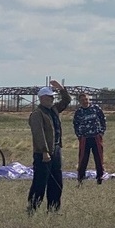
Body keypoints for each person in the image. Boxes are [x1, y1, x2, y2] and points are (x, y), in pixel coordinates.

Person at [27, 80, 71, 214]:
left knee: (56, 181)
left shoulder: (53, 109)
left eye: (53, 96)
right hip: (43, 153)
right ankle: (32, 209)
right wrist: (45, 151)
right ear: (42, 98)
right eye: (50, 96)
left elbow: (66, 101)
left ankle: (53, 209)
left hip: (56, 149)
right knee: (40, 182)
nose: (52, 98)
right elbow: (38, 134)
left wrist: (62, 89)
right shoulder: (37, 114)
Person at [72, 92, 107, 185]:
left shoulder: (96, 109)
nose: (85, 101)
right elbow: (75, 124)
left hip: (96, 137)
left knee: (99, 158)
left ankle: (100, 178)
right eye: (82, 100)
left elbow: (103, 120)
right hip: (85, 138)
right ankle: (80, 179)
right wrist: (79, 135)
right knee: (83, 159)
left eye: (86, 99)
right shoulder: (78, 112)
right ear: (79, 101)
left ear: (89, 99)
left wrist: (101, 132)